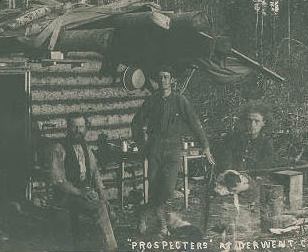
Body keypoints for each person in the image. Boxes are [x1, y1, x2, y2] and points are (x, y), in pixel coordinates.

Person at [132, 67, 214, 237]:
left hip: (172, 149)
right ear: (157, 80)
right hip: (154, 149)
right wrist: (142, 144)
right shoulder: (151, 101)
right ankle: (162, 226)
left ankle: (142, 212)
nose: (163, 80)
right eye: (160, 77)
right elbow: (136, 123)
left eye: (166, 77)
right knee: (155, 188)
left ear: (171, 80)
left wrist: (205, 146)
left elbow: (194, 123)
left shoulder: (179, 100)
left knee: (168, 189)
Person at [50, 113, 117, 251]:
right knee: (99, 208)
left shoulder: (86, 147)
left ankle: (98, 245)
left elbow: (94, 173)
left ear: (85, 128)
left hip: (83, 192)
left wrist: (103, 196)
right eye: (74, 127)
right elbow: (58, 181)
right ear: (68, 128)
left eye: (81, 127)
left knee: (108, 210)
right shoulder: (59, 148)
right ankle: (110, 247)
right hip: (65, 195)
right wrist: (80, 192)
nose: (78, 130)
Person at [217, 100, 274, 174]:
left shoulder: (266, 143)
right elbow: (225, 163)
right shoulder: (232, 139)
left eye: (256, 121)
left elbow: (263, 169)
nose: (252, 125)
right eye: (249, 120)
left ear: (264, 123)